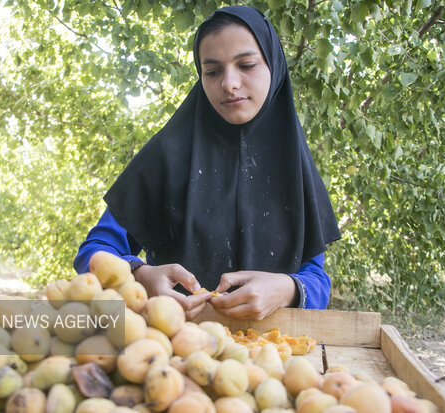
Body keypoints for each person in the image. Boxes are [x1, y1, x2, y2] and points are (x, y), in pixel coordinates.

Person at [74, 6, 341, 321]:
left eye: (247, 65)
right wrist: (140, 274)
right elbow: (93, 254)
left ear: (275, 66)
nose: (229, 83)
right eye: (212, 71)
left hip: (274, 355)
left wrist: (289, 288)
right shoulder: (167, 155)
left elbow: (316, 278)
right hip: (171, 351)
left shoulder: (293, 165)